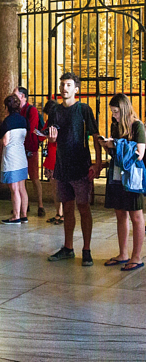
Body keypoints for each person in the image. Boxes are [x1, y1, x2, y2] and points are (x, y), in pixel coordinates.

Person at [46, 73, 101, 266]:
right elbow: (51, 136)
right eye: (62, 85)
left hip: (80, 165)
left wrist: (98, 162)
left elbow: (95, 136)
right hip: (62, 165)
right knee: (67, 208)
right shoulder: (55, 111)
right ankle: (68, 247)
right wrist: (51, 140)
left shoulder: (84, 109)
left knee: (83, 207)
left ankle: (86, 249)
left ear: (76, 89)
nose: (64, 88)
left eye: (68, 85)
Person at [101, 93, 145, 270]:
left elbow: (139, 153)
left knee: (136, 215)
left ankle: (137, 256)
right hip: (117, 175)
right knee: (120, 214)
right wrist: (107, 145)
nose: (114, 116)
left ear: (125, 109)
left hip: (133, 177)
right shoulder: (116, 126)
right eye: (112, 112)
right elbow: (116, 151)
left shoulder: (138, 126)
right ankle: (123, 253)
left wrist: (116, 144)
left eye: (116, 112)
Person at [0, 94, 30, 225]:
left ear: (7, 107)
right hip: (21, 155)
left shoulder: (7, 122)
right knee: (22, 187)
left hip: (11, 157)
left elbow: (5, 141)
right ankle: (24, 215)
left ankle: (15, 216)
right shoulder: (23, 120)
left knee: (14, 188)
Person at [17, 86, 46, 219]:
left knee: (34, 177)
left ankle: (40, 205)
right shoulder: (17, 110)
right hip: (20, 148)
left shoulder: (31, 110)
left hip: (30, 148)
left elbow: (32, 128)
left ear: (22, 96)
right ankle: (24, 204)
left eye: (15, 94)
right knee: (21, 178)